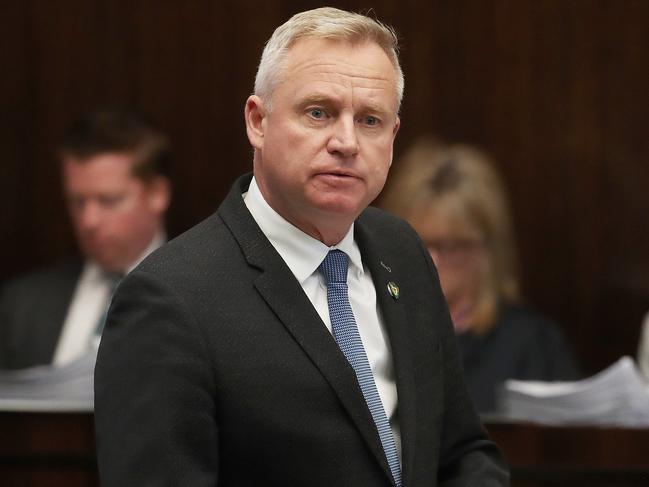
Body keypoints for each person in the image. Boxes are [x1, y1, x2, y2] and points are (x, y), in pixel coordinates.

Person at [94, 8, 508, 486]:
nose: (347, 142)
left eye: (371, 120)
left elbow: (460, 450)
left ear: (393, 137)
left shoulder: (403, 252)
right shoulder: (170, 298)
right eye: (319, 113)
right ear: (258, 121)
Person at [380, 137, 580, 412]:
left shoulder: (533, 344)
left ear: (488, 251)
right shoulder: (371, 326)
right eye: (419, 244)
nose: (431, 261)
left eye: (450, 246)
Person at [0, 107, 171, 369]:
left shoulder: (203, 295)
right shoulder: (22, 305)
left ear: (157, 194)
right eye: (77, 202)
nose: (88, 221)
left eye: (109, 200)